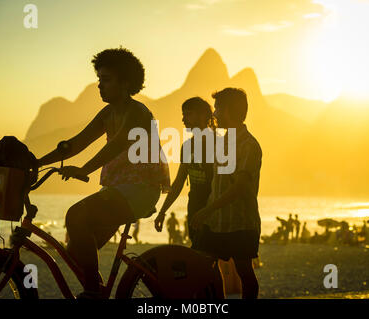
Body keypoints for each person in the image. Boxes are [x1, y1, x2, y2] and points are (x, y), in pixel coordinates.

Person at [37, 48, 170, 298]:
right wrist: (37, 162)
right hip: (118, 190)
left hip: (140, 189)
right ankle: (97, 289)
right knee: (76, 251)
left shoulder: (138, 112)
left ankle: (92, 293)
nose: (100, 85)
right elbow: (75, 144)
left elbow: (117, 144)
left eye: (106, 80)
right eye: (99, 79)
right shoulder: (108, 113)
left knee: (75, 215)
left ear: (126, 83)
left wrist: (85, 170)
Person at [191, 88, 262, 299]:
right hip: (216, 221)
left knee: (244, 271)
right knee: (204, 266)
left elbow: (239, 188)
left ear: (230, 111)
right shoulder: (222, 142)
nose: (215, 114)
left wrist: (206, 210)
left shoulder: (249, 146)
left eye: (218, 108)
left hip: (241, 222)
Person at [154, 97, 215, 250]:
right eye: (183, 114)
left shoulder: (218, 143)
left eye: (188, 114)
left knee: (204, 256)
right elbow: (179, 181)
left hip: (212, 211)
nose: (183, 119)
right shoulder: (188, 146)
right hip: (194, 207)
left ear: (202, 116)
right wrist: (162, 211)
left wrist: (209, 210)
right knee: (200, 256)